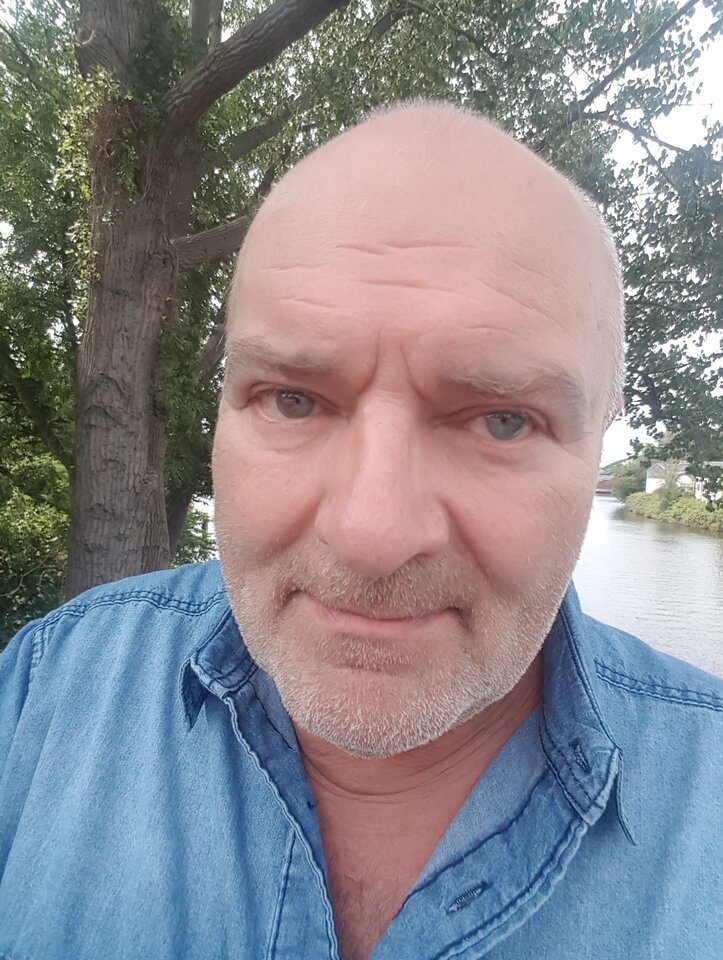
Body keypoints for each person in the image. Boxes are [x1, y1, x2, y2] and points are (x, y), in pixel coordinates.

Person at [1, 102, 721, 960]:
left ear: (600, 434)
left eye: (500, 420)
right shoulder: (44, 694)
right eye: (293, 400)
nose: (371, 535)